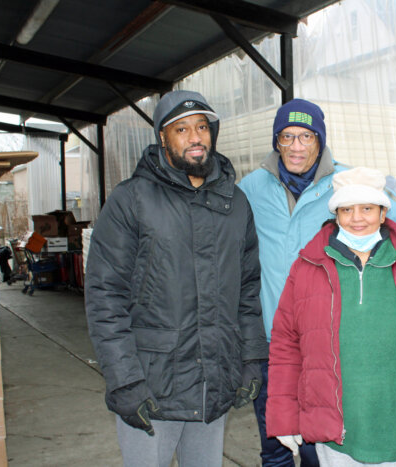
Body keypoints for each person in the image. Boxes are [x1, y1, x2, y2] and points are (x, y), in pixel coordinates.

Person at [238, 98, 396, 466]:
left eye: (305, 137)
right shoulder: (251, 188)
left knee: (318, 448)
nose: (295, 147)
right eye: (286, 137)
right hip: (272, 345)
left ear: (320, 140)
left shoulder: (348, 182)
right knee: (275, 446)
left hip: (328, 343)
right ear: (275, 141)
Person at [85, 90, 268, 467]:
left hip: (213, 383)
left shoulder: (235, 204)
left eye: (202, 127)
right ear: (162, 137)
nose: (196, 137)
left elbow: (248, 292)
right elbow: (105, 296)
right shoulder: (131, 200)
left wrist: (251, 357)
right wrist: (124, 380)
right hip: (153, 388)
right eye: (182, 129)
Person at [266, 167, 396, 466]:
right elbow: (286, 346)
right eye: (346, 209)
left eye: (367, 208)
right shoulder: (309, 267)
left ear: (383, 212)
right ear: (335, 214)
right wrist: (284, 416)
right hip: (337, 434)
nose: (357, 218)